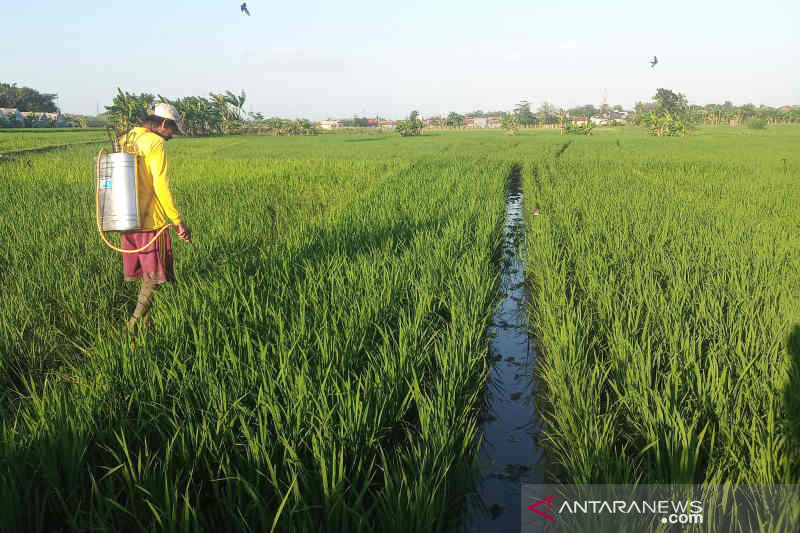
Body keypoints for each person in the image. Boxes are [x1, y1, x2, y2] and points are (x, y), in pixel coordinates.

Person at [117, 103, 192, 334]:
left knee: (147, 275)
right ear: (161, 123)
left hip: (127, 217)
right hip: (151, 220)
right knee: (153, 277)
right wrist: (178, 220)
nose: (172, 135)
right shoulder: (155, 143)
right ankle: (133, 325)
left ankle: (149, 326)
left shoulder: (126, 138)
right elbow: (161, 185)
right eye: (171, 129)